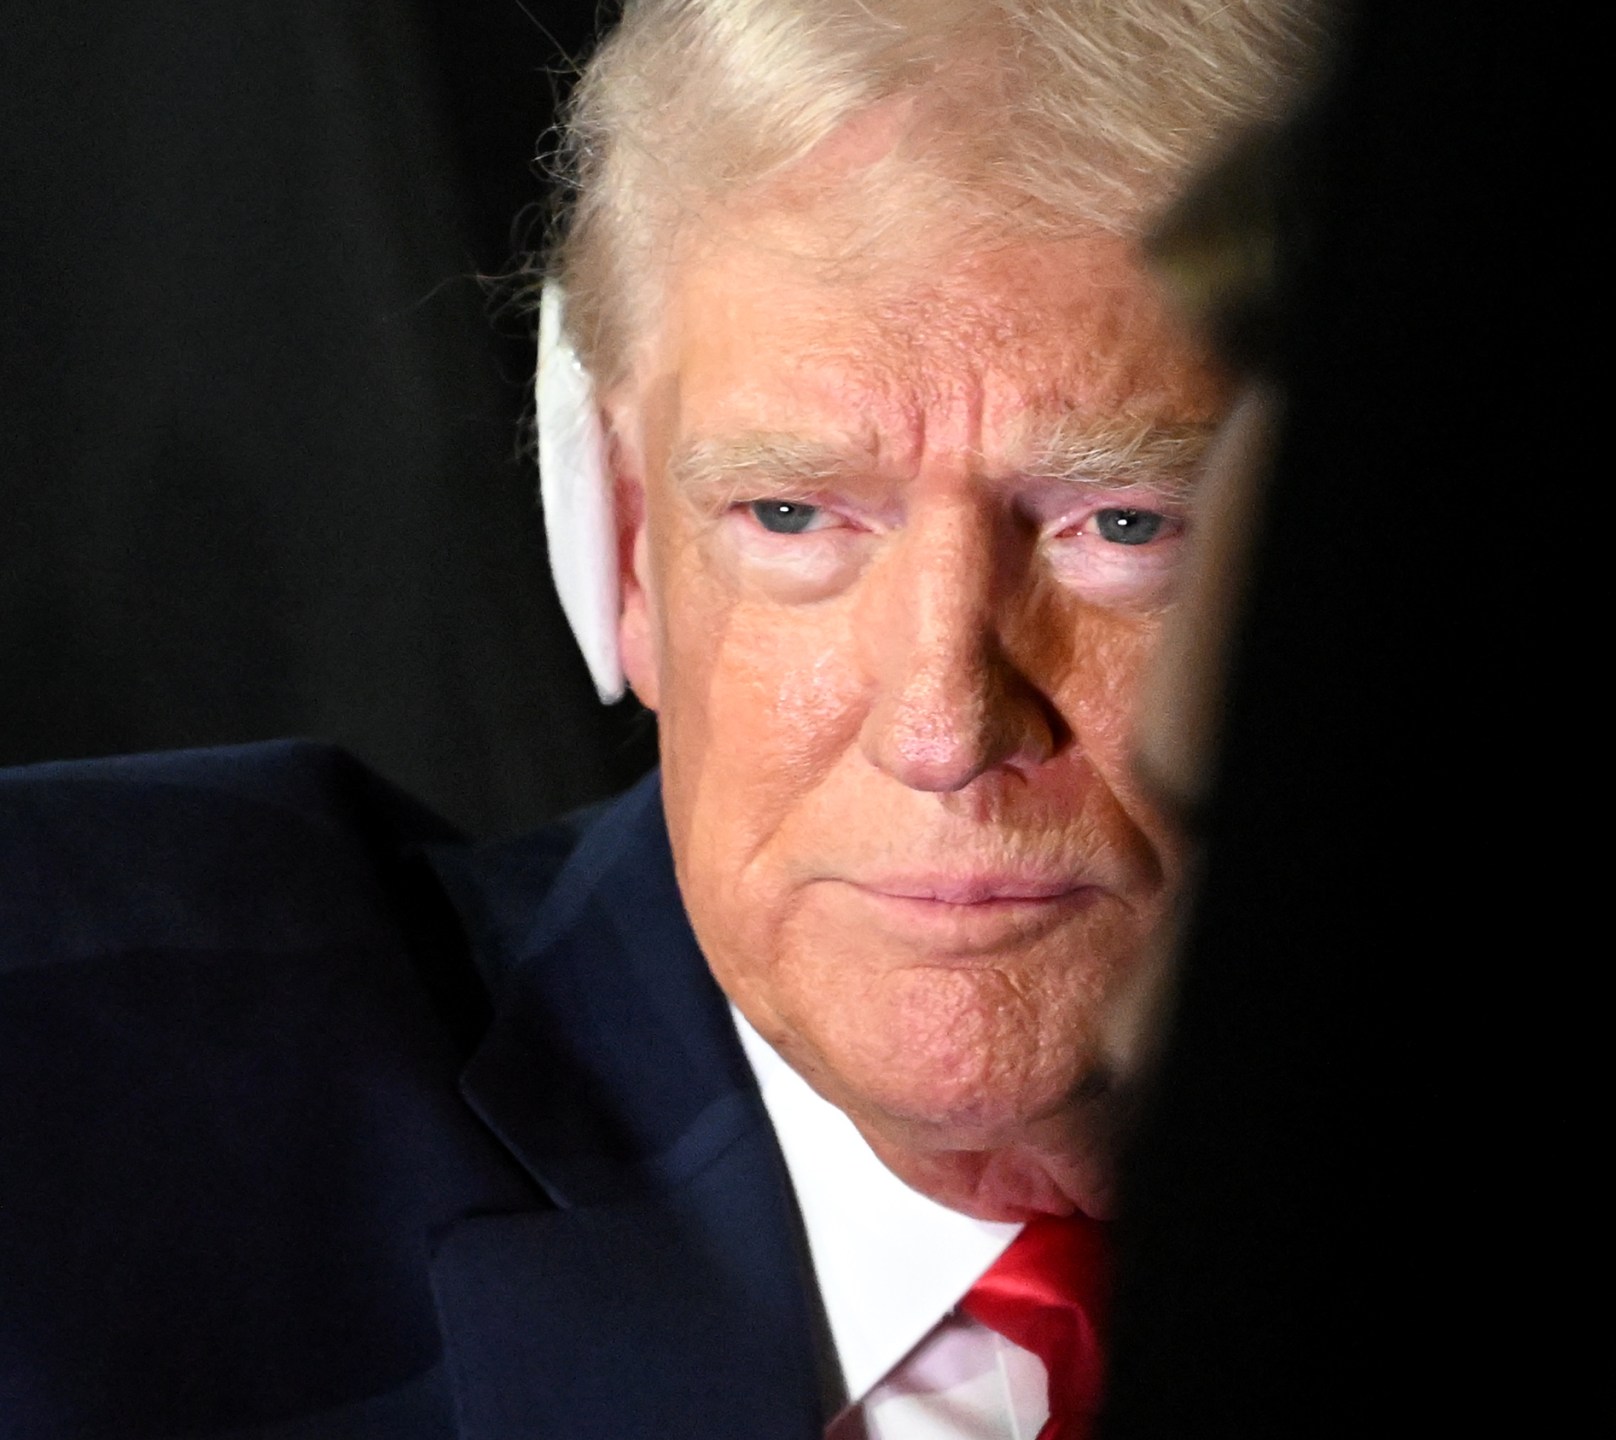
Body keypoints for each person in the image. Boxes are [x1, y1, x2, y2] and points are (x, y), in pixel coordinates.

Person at [0, 2, 1316, 1436]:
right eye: (792, 514)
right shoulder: (64, 1096)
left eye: (1128, 524)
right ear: (622, 547)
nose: (944, 729)